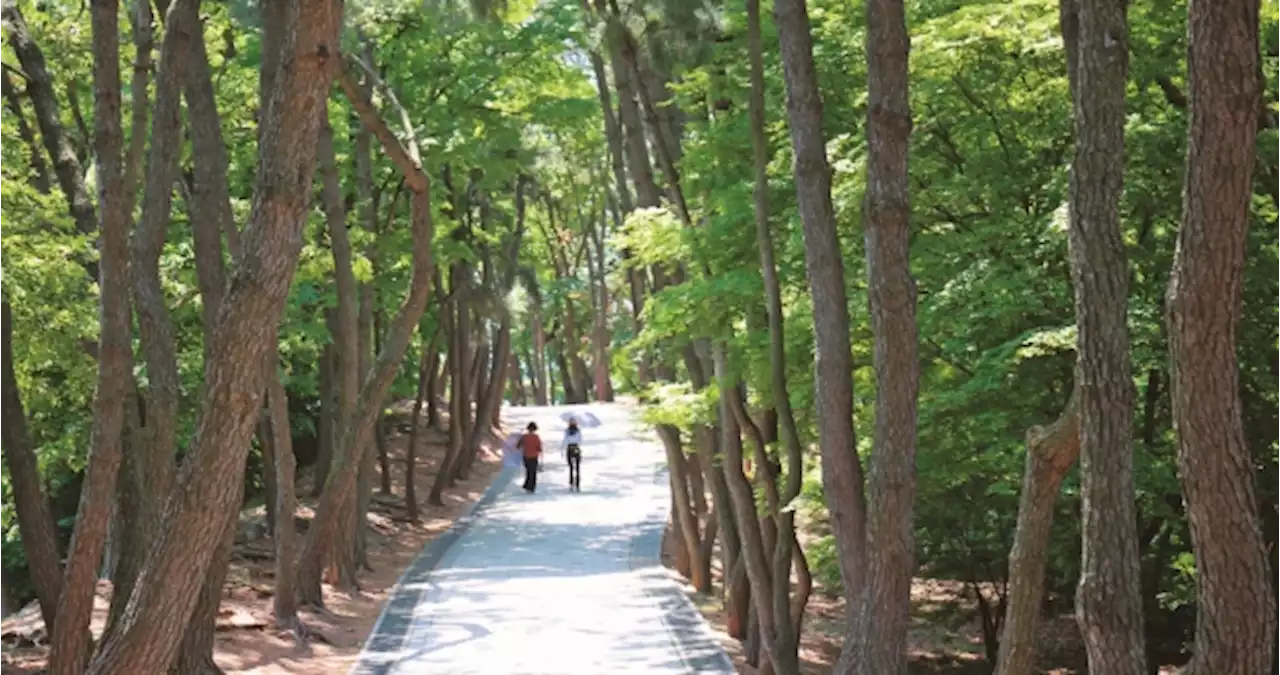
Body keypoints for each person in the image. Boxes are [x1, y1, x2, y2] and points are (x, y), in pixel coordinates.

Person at [517, 422, 543, 493]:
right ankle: (531, 487)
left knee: (528, 471)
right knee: (533, 472)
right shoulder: (536, 437)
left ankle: (527, 485)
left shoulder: (524, 437)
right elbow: (539, 448)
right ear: (535, 429)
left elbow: (518, 446)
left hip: (526, 456)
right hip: (534, 456)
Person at [562, 418, 583, 491]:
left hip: (569, 448)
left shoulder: (566, 431)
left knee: (571, 467)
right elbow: (580, 440)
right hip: (576, 448)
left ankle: (571, 484)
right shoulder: (578, 431)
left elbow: (565, 440)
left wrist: (563, 449)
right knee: (577, 468)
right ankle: (577, 485)